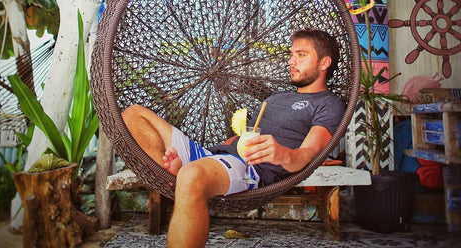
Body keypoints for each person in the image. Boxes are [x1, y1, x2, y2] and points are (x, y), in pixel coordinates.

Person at [122, 28, 346, 248]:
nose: (291, 61)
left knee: (191, 175)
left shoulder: (329, 104)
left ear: (324, 63)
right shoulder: (277, 98)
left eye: (301, 55)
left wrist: (282, 154)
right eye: (291, 54)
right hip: (214, 157)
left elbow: (307, 154)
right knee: (133, 114)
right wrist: (214, 153)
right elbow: (242, 137)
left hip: (249, 168)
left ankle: (184, 176)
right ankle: (170, 176)